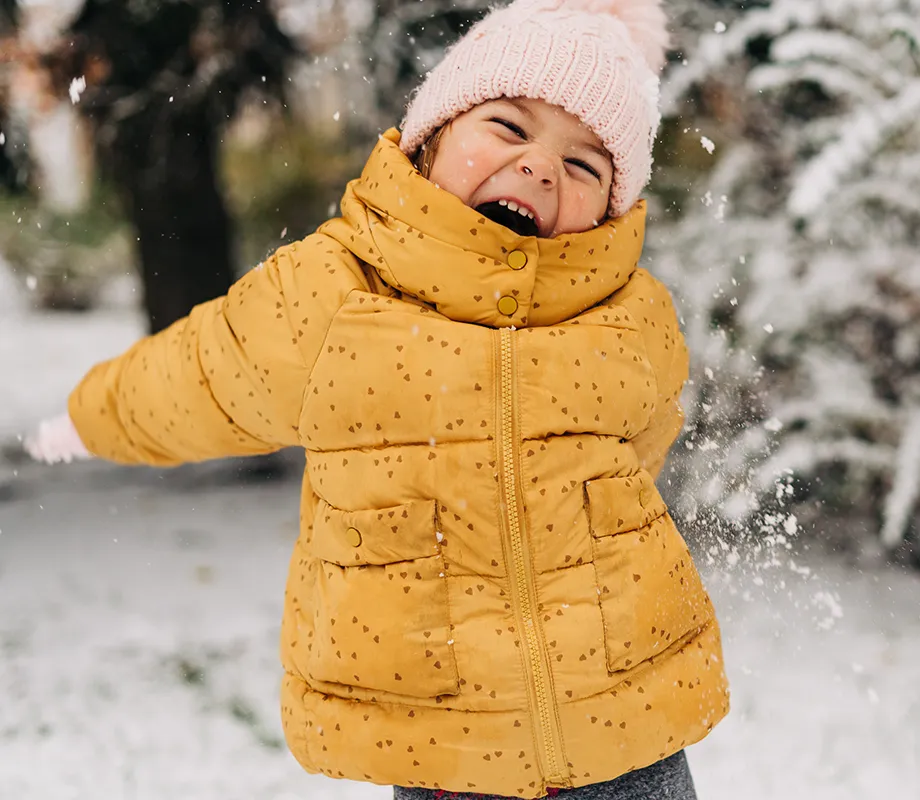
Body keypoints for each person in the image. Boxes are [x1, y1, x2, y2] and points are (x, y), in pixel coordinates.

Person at [25, 1, 731, 798]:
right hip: (447, 745)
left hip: (627, 732)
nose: (540, 167)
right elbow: (199, 377)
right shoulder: (333, 293)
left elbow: (642, 446)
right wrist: (85, 418)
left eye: (583, 166)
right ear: (433, 135)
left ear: (610, 210)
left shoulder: (628, 316)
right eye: (508, 127)